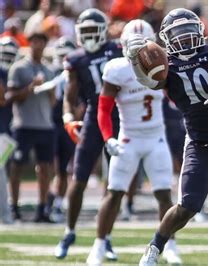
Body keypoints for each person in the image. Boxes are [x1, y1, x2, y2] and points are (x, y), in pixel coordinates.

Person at [125, 8, 208, 265]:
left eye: (188, 30)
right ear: (166, 38)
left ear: (200, 30)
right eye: (178, 33)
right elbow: (150, 82)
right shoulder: (167, 65)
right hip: (201, 145)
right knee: (186, 207)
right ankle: (154, 248)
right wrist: (135, 62)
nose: (185, 37)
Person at [86, 19, 181, 265]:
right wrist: (108, 138)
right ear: (123, 45)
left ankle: (170, 245)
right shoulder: (116, 69)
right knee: (114, 192)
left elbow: (175, 97)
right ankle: (98, 244)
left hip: (156, 137)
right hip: (128, 137)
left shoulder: (162, 64)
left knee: (163, 194)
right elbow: (103, 109)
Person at [54, 8, 122, 259]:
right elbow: (70, 97)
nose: (91, 36)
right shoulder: (76, 59)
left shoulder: (117, 49)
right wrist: (68, 117)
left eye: (95, 30)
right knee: (79, 177)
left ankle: (105, 238)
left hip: (119, 115)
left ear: (103, 31)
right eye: (86, 32)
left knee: (114, 181)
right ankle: (69, 231)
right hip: (94, 117)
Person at [7, 32, 55, 223]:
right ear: (30, 44)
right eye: (34, 42)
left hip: (45, 125)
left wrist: (49, 89)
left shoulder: (49, 70)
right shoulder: (19, 68)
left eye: (41, 42)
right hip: (23, 124)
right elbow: (11, 97)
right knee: (17, 166)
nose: (38, 45)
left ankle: (42, 208)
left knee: (44, 168)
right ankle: (14, 207)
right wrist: (29, 88)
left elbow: (52, 102)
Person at [49, 37, 76, 223]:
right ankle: (48, 200)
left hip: (67, 124)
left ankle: (57, 203)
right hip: (50, 124)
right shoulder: (50, 72)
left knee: (64, 169)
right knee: (49, 167)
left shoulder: (78, 74)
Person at [0, 36, 18, 225]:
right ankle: (5, 215)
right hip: (4, 129)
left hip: (4, 130)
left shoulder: (13, 72)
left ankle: (5, 215)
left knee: (1, 171)